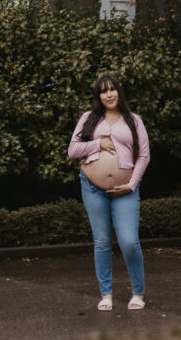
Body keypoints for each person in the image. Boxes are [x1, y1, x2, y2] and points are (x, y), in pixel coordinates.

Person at [68, 74, 150, 311]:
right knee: (102, 241)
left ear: (119, 92)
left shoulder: (134, 120)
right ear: (98, 96)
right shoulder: (89, 118)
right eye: (103, 91)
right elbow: (73, 149)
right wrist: (98, 144)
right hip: (93, 188)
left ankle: (138, 292)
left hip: (125, 190)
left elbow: (143, 155)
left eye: (112, 89)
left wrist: (132, 184)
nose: (109, 94)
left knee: (129, 242)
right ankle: (106, 294)